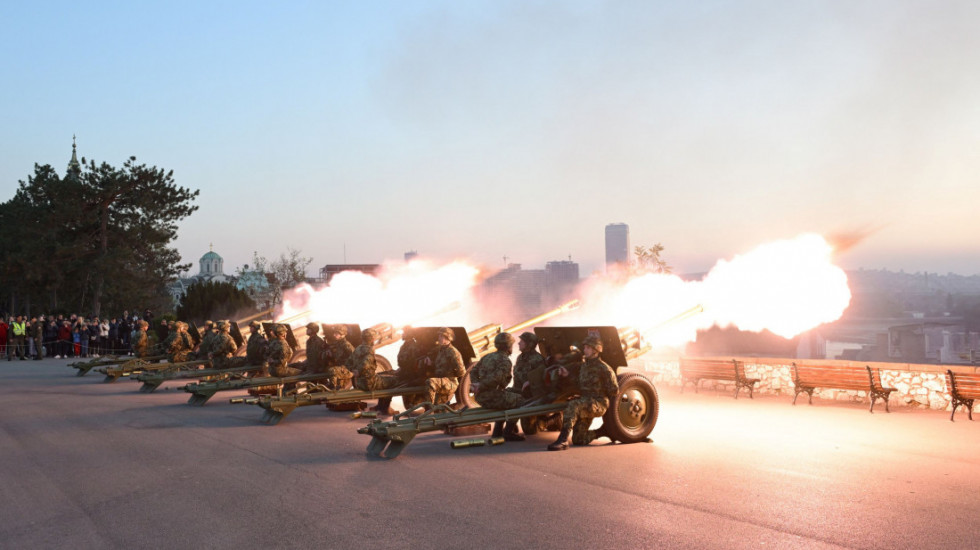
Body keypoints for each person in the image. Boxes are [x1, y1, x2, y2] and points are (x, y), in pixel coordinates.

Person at [547, 335, 619, 451]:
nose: (584, 350)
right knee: (578, 439)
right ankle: (602, 431)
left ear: (596, 350)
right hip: (586, 402)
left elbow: (614, 390)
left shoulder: (604, 369)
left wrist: (598, 393)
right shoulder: (584, 366)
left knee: (573, 405)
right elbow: (579, 383)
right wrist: (567, 375)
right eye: (584, 347)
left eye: (587, 348)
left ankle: (563, 440)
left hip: (598, 403)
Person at [472, 332, 525, 441]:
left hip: (480, 397)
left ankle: (497, 431)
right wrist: (480, 385)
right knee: (520, 400)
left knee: (506, 397)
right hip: (492, 396)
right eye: (511, 345)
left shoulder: (487, 356)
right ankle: (508, 432)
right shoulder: (505, 361)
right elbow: (496, 378)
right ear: (508, 346)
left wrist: (477, 385)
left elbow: (473, 371)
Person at [350, 328, 398, 415]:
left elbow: (349, 363)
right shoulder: (369, 350)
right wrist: (359, 371)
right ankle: (385, 408)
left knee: (384, 378)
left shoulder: (358, 348)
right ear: (372, 339)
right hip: (369, 383)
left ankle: (380, 406)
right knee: (393, 381)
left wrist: (354, 372)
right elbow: (365, 365)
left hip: (359, 383)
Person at [421, 327, 466, 407]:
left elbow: (462, 372)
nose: (439, 338)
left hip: (450, 382)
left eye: (441, 336)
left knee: (430, 382)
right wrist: (431, 364)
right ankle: (432, 409)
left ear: (448, 337)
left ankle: (429, 410)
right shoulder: (441, 350)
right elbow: (441, 365)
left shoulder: (453, 352)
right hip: (441, 382)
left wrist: (450, 374)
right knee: (439, 409)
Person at [513, 331, 547, 399]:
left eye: (522, 341)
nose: (519, 343)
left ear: (529, 344)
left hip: (529, 395)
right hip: (518, 391)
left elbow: (539, 382)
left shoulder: (537, 359)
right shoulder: (520, 357)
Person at [324, 325, 355, 389]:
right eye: (334, 333)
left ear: (342, 334)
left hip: (346, 368)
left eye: (336, 333)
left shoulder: (346, 345)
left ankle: (334, 387)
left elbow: (355, 356)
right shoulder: (337, 344)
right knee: (325, 368)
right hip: (340, 367)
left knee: (332, 370)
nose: (334, 335)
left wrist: (352, 370)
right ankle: (332, 386)